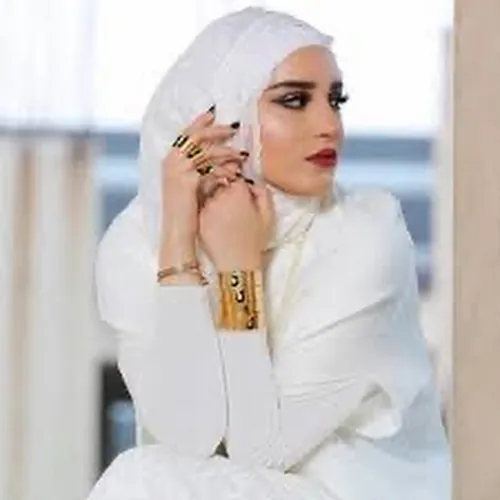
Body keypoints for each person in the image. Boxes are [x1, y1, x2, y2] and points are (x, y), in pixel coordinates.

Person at [88, 6, 451, 500]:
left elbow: (260, 450)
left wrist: (239, 269)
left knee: (140, 480)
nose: (330, 125)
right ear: (223, 116)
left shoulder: (365, 235)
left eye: (336, 100)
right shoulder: (135, 247)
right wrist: (178, 237)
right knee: (144, 476)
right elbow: (188, 434)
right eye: (294, 100)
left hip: (353, 490)